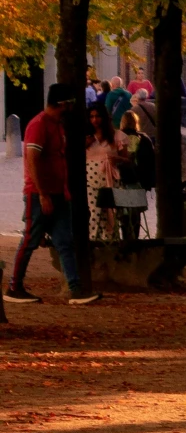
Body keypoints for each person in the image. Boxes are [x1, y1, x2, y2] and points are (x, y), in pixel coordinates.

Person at [6, 84, 99, 305]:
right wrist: (42, 194)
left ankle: (75, 289)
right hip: (41, 194)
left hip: (57, 193)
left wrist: (62, 191)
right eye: (69, 103)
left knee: (64, 241)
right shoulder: (39, 125)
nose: (71, 107)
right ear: (61, 103)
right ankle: (14, 286)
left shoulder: (57, 125)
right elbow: (32, 160)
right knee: (30, 238)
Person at [112, 111, 154, 240]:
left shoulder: (120, 137)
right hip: (139, 180)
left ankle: (127, 239)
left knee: (125, 213)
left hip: (125, 178)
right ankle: (134, 239)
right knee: (135, 213)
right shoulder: (144, 138)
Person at [85, 104, 119, 242]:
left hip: (110, 177)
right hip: (91, 177)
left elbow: (127, 160)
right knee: (95, 211)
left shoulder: (116, 136)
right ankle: (94, 240)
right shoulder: (86, 137)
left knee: (111, 213)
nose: (95, 120)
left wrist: (116, 159)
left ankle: (110, 240)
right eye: (91, 116)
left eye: (97, 116)